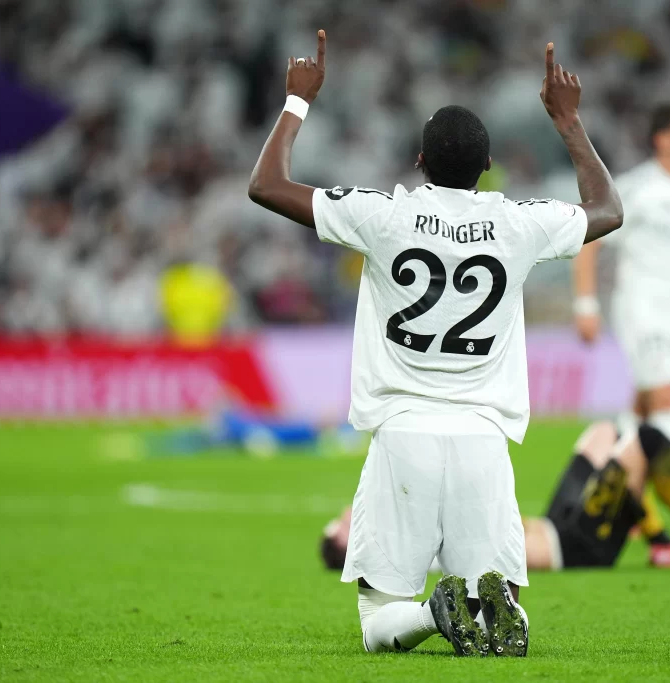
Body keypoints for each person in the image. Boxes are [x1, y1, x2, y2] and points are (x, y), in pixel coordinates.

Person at [248, 32, 623, 657]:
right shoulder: (518, 223)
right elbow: (607, 208)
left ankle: (432, 611)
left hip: (402, 434)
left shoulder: (383, 215)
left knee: (379, 624)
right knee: (500, 609)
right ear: (487, 166)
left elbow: (266, 185)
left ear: (418, 160)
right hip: (483, 439)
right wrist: (568, 119)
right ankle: (475, 604)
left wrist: (297, 102)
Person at [570, 103, 670, 542]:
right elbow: (589, 243)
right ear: (663, 139)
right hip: (644, 308)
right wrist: (586, 304)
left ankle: (633, 508)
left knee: (643, 410)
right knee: (668, 400)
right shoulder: (635, 187)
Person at [321, 422, 670, 573]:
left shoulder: (397, 521)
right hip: (578, 544)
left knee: (603, 432)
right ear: (350, 545)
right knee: (648, 440)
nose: (344, 514)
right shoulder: (396, 541)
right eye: (341, 527)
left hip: (556, 522)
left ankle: (661, 543)